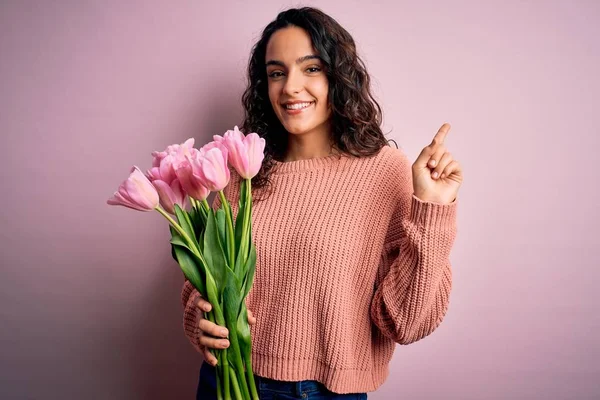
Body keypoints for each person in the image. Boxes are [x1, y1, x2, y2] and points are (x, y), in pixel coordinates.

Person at [180, 6, 463, 400]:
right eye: (277, 72)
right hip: (226, 379)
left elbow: (407, 322)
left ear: (338, 76)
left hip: (324, 393)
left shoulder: (386, 172)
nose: (291, 87)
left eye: (310, 68)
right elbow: (202, 281)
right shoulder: (245, 169)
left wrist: (432, 210)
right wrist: (200, 321)